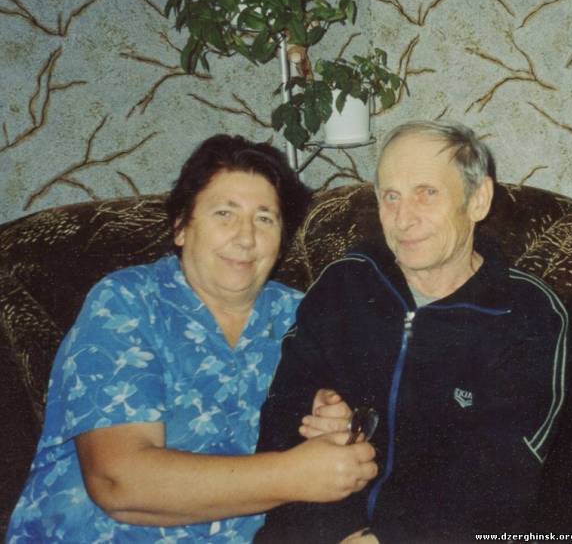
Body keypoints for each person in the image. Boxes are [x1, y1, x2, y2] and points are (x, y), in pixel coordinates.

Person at [7, 134, 377, 543]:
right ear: (181, 227)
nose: (245, 237)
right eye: (224, 213)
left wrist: (336, 419)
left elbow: (361, 432)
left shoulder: (305, 315)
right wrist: (293, 475)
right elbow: (118, 481)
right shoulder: (128, 301)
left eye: (265, 219)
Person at [255, 121, 572, 543]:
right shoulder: (343, 284)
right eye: (391, 196)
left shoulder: (529, 315)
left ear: (478, 199)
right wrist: (314, 413)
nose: (403, 219)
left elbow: (504, 478)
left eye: (427, 192)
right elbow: (278, 417)